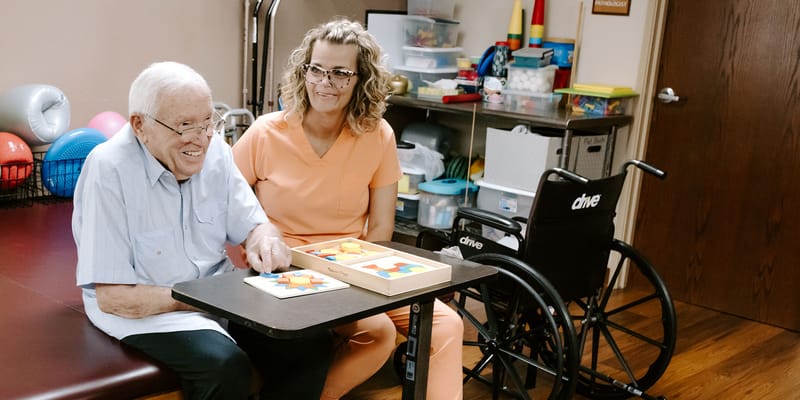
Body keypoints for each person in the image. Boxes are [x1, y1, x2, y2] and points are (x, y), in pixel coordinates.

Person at [232, 19, 464, 400]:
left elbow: (382, 226)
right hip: (286, 267)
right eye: (317, 70)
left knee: (446, 325)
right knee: (378, 334)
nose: (326, 82)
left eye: (341, 73)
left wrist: (360, 279)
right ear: (303, 70)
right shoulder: (265, 132)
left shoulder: (378, 135)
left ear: (361, 79)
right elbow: (229, 207)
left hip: (358, 267)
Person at [72, 61, 332, 400]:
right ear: (140, 125)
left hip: (216, 298)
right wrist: (212, 300)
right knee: (225, 368)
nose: (203, 139)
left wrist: (265, 241)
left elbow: (256, 225)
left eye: (209, 122)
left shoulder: (217, 152)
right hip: (147, 311)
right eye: (185, 126)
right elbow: (114, 297)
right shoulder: (107, 169)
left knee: (309, 343)